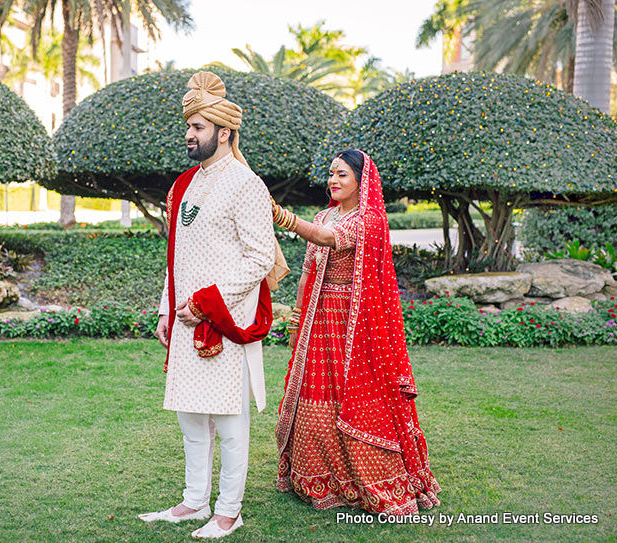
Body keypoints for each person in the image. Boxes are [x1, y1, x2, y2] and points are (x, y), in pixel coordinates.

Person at [137, 71, 287, 539]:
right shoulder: (185, 185)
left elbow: (261, 257)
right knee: (190, 417)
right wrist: (167, 308)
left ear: (224, 133)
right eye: (189, 126)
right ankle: (194, 501)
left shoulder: (246, 184)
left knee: (228, 421)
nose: (188, 134)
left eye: (198, 127)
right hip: (183, 320)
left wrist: (205, 303)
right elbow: (175, 255)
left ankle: (229, 510)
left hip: (223, 320)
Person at [270, 149, 441, 514]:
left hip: (355, 326)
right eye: (331, 173)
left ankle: (364, 480)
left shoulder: (368, 221)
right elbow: (307, 269)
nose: (333, 180)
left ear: (362, 182)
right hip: (319, 321)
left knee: (356, 401)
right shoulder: (325, 213)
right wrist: (299, 314)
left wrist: (282, 216)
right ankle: (318, 478)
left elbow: (328, 239)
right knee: (313, 399)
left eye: (342, 174)